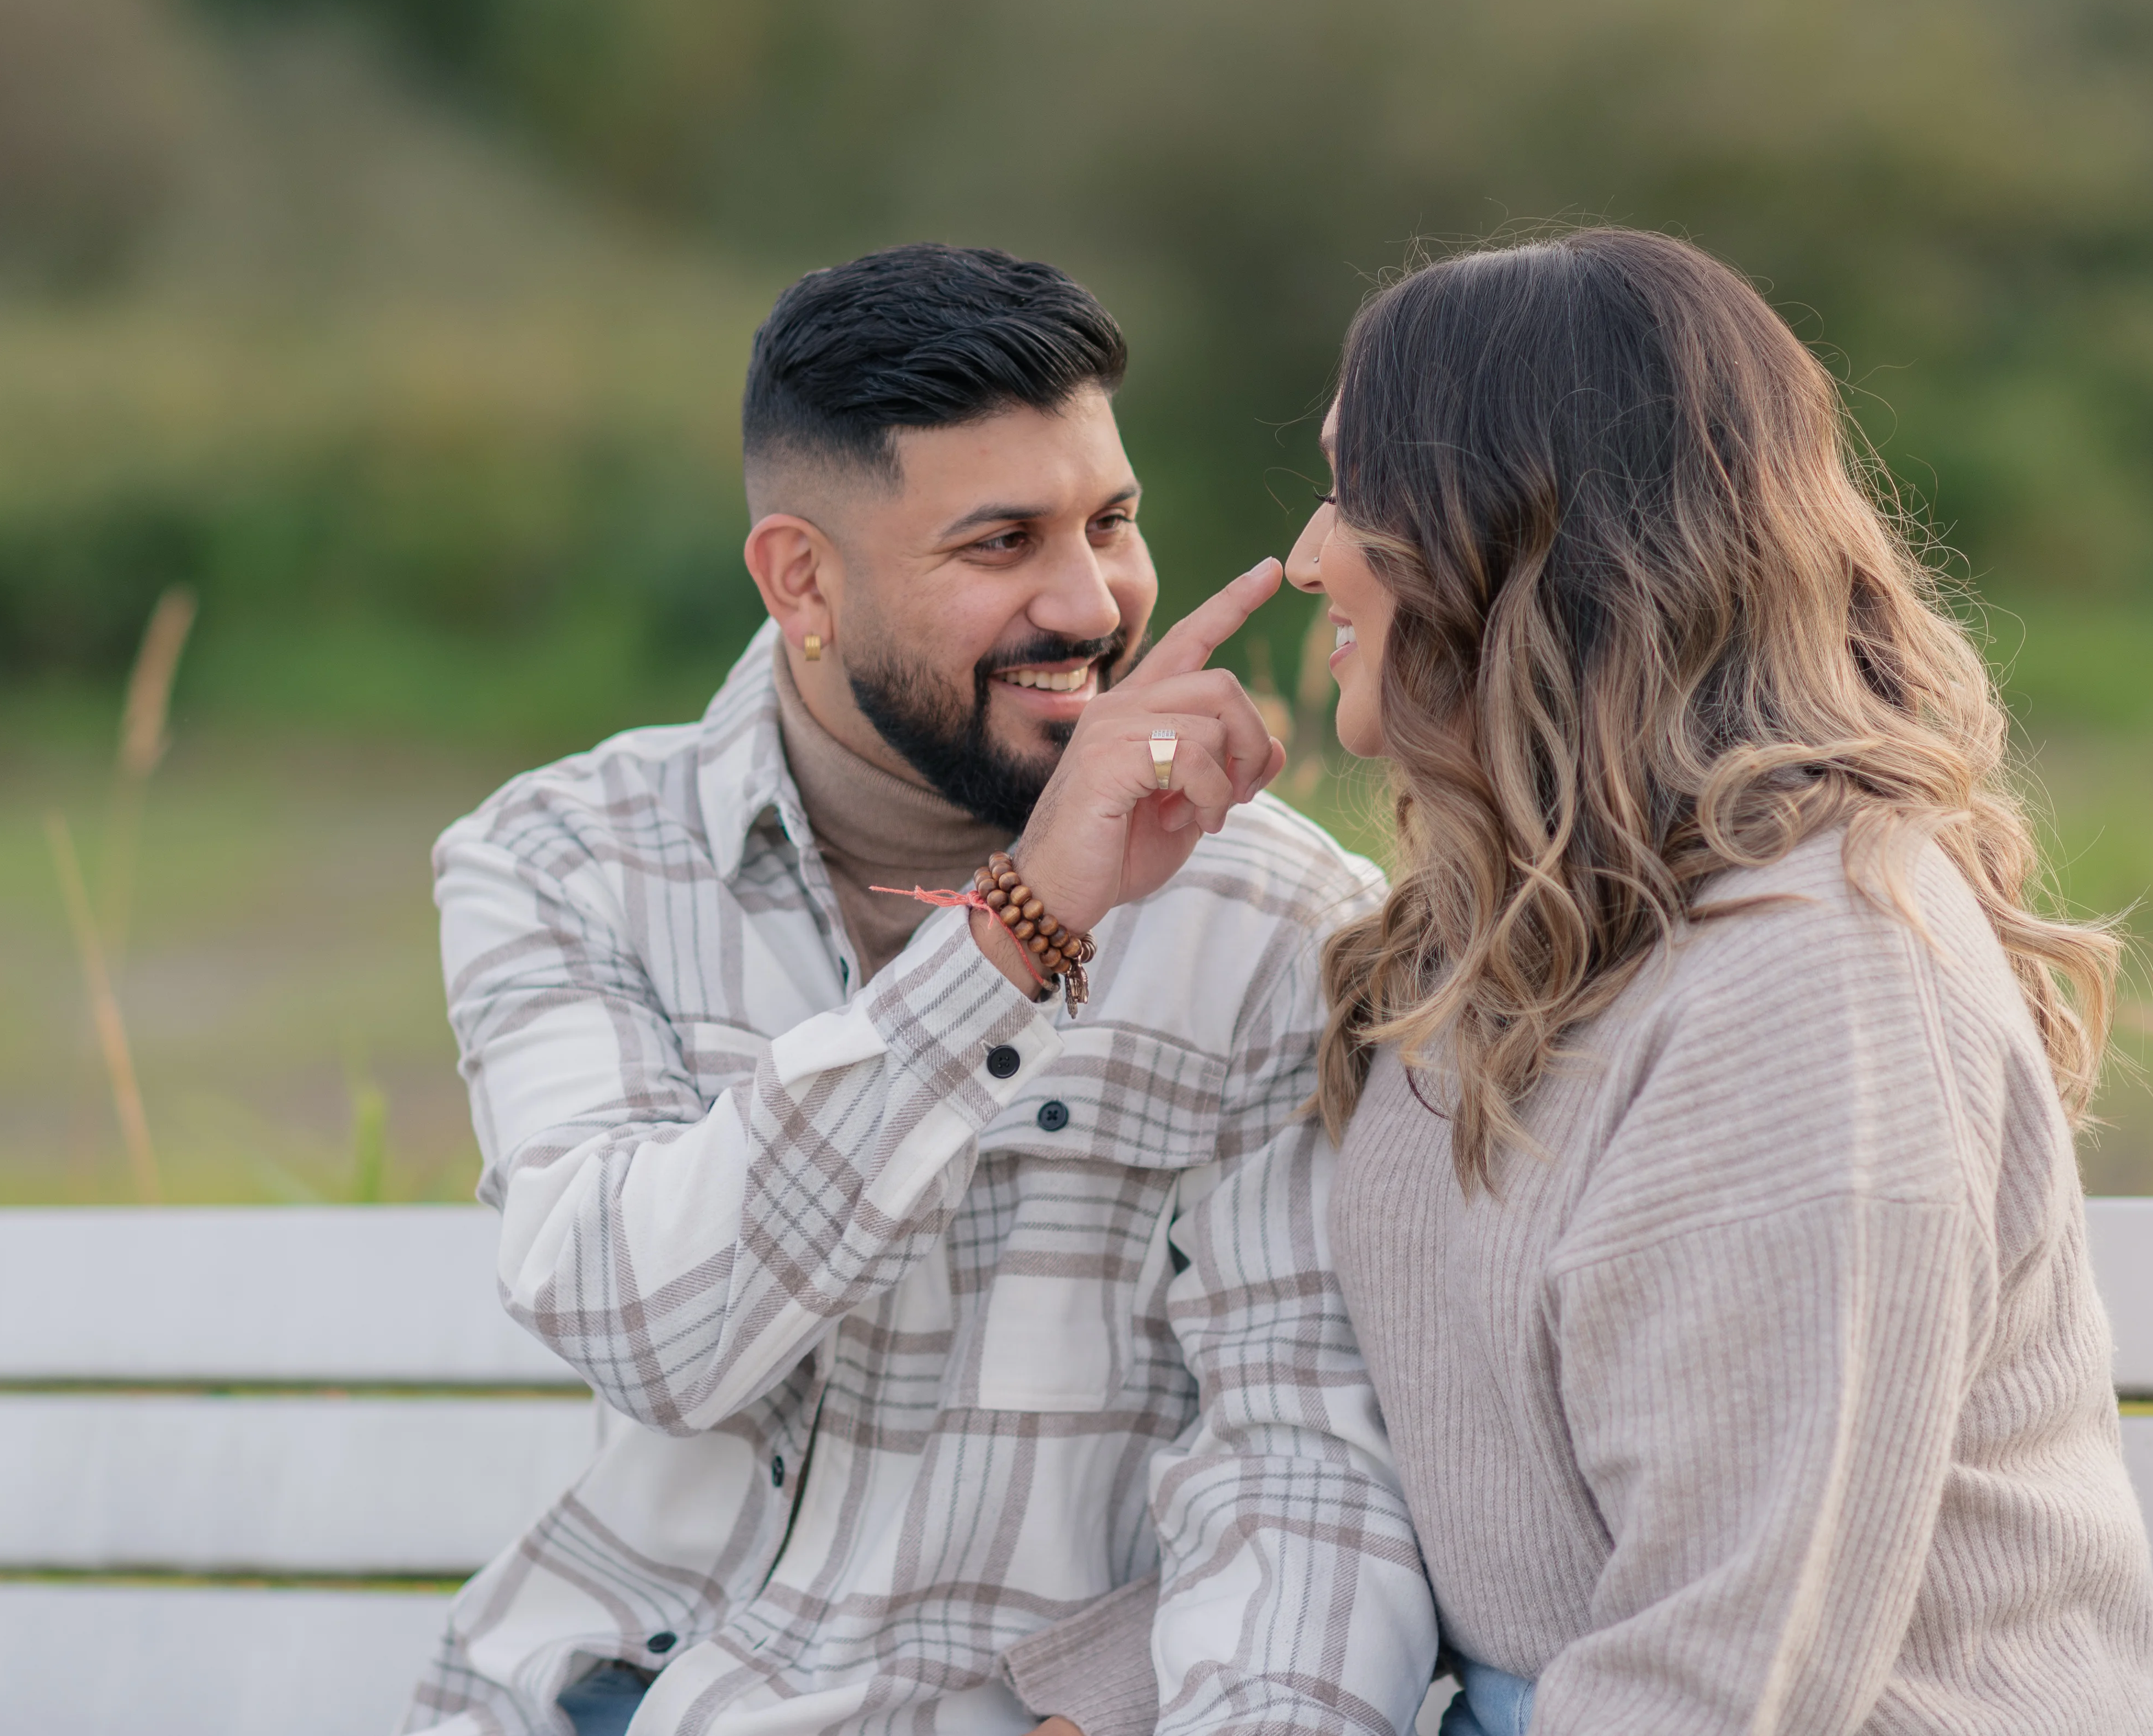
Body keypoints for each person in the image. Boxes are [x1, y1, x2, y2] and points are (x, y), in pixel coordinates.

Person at [406, 244, 1436, 1736]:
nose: (1089, 603)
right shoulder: (563, 860)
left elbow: (1298, 1466)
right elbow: (646, 1328)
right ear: (802, 579)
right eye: (1001, 543)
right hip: (598, 1699)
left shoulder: (1277, 922)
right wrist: (1021, 935)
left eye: (1112, 519)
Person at [1285, 229, 2153, 1735]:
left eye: (1356, 499)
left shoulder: (1820, 981)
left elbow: (1723, 1676)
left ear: (1512, 537)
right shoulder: (1502, 939)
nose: (1310, 555)